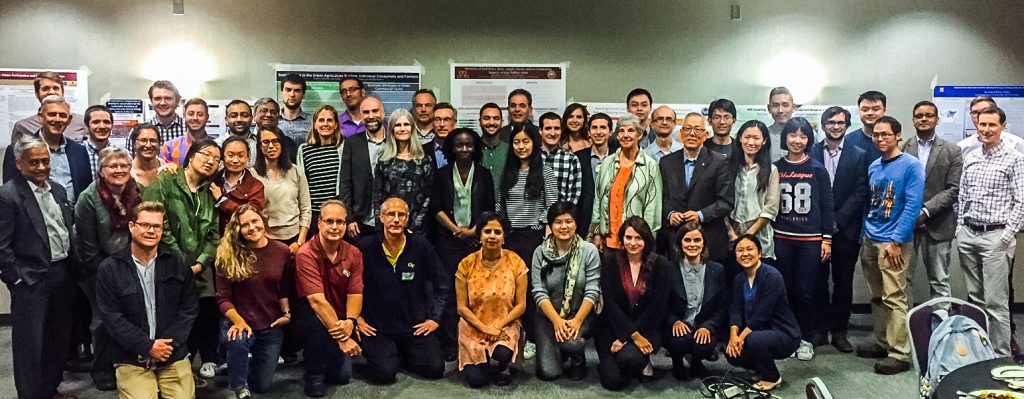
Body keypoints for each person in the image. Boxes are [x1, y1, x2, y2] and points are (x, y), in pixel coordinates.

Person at [0, 136, 77, 399]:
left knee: (58, 340)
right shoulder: (8, 196)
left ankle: (49, 390)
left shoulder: (57, 189)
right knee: (30, 347)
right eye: (34, 163)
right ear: (19, 164)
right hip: (31, 281)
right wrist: (17, 280)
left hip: (62, 274)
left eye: (45, 161)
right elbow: (2, 246)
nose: (42, 167)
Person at [96, 201, 198, 399]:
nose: (151, 230)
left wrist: (167, 345)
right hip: (131, 356)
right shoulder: (110, 269)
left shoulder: (177, 263)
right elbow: (111, 318)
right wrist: (147, 346)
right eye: (145, 225)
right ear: (132, 226)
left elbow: (189, 309)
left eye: (157, 226)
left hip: (171, 353)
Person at [142, 139, 223, 383]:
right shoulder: (166, 181)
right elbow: (157, 224)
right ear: (191, 155)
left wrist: (199, 262)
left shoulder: (210, 192)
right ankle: (167, 368)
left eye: (216, 160)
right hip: (165, 263)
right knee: (171, 317)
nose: (211, 161)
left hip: (199, 266)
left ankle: (190, 366)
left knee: (200, 313)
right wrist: (180, 260)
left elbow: (213, 234)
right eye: (206, 155)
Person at [855, 116, 923, 375]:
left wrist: (896, 240)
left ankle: (900, 352)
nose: (880, 138)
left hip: (893, 242)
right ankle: (883, 342)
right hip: (870, 237)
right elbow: (871, 203)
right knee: (877, 295)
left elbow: (912, 205)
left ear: (898, 136)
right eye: (876, 135)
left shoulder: (911, 166)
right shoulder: (874, 165)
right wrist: (865, 232)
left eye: (885, 134)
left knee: (895, 296)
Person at [357, 198, 450, 384]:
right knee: (384, 374)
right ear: (381, 217)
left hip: (413, 327)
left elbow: (443, 285)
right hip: (377, 328)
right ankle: (391, 356)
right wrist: (356, 318)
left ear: (407, 219)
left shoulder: (421, 245)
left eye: (401, 215)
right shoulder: (364, 247)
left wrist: (434, 318)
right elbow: (349, 288)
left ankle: (399, 355)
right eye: (391, 214)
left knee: (435, 368)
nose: (396, 220)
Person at [957, 106, 1024, 357]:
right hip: (969, 234)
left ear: (1003, 127)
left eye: (992, 125)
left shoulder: (1014, 159)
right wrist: (960, 229)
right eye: (982, 124)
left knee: (996, 303)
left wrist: (1006, 236)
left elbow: (1021, 201)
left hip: (996, 237)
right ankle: (978, 352)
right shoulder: (972, 157)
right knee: (974, 299)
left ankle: (1000, 356)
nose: (985, 129)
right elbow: (963, 195)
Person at [75, 146, 141, 390]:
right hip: (98, 268)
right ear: (102, 171)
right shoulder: (88, 198)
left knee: (131, 316)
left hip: (131, 263)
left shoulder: (136, 192)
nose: (119, 170)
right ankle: (101, 369)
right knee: (103, 320)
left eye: (124, 165)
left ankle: (126, 363)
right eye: (113, 166)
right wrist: (111, 275)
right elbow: (88, 247)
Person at [772, 117, 835, 361]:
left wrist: (826, 239)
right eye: (793, 135)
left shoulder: (817, 169)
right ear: (785, 138)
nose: (797, 141)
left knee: (806, 292)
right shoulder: (776, 167)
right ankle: (787, 336)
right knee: (784, 291)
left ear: (808, 140)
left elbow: (828, 206)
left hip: (810, 240)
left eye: (803, 136)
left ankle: (806, 338)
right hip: (782, 238)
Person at [431, 127, 496, 360]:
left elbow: (489, 207)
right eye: (459, 145)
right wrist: (456, 230)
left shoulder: (484, 174)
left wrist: (473, 230)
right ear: (452, 148)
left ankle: (479, 338)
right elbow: (436, 207)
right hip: (448, 241)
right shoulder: (441, 174)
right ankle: (451, 343)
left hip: (475, 240)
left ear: (475, 147)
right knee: (449, 292)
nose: (464, 149)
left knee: (476, 293)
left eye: (469, 144)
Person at [215, 205, 293, 398]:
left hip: (271, 325)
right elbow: (223, 298)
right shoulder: (228, 254)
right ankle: (239, 386)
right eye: (245, 225)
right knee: (236, 338)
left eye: (255, 221)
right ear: (237, 229)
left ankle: (236, 365)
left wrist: (287, 314)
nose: (252, 227)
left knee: (262, 385)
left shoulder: (282, 251)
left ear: (263, 221)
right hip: (240, 322)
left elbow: (284, 288)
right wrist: (239, 322)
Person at [810, 106, 869, 352]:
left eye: (841, 122)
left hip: (845, 230)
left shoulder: (859, 154)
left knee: (844, 283)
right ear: (823, 125)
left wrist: (838, 219)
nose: (836, 126)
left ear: (846, 125)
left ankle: (840, 331)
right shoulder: (811, 151)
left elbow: (860, 191)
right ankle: (820, 328)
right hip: (816, 228)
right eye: (831, 122)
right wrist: (824, 221)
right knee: (818, 281)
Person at [293, 200, 364, 397]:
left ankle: (328, 356)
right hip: (312, 315)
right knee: (315, 323)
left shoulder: (354, 253)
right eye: (329, 221)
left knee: (342, 376)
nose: (335, 227)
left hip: (341, 318)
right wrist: (343, 338)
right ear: (319, 223)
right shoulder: (305, 254)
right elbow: (317, 302)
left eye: (340, 222)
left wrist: (351, 321)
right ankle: (313, 373)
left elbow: (355, 294)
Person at [594, 216, 671, 391]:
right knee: (613, 382)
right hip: (612, 328)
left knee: (630, 359)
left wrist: (632, 336)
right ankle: (615, 363)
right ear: (622, 239)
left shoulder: (661, 264)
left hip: (647, 328)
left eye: (638, 238)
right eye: (628, 237)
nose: (633, 243)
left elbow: (658, 308)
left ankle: (640, 361)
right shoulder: (610, 262)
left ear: (646, 240)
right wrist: (629, 336)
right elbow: (611, 305)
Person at [455, 212, 528, 388]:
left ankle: (502, 365)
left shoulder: (516, 262)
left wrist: (497, 326)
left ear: (504, 237)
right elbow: (461, 308)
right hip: (473, 327)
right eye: (487, 232)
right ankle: (483, 361)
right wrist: (485, 328)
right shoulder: (466, 264)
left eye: (497, 232)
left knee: (502, 354)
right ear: (480, 236)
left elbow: (521, 305)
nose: (492, 236)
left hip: (505, 325)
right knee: (477, 381)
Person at [530, 202, 601, 381]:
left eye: (568, 221)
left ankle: (577, 357)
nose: (563, 227)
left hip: (580, 316)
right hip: (548, 318)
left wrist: (576, 321)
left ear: (576, 224)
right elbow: (539, 291)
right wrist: (556, 321)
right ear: (550, 225)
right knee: (548, 373)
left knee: (573, 344)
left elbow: (592, 290)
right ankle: (559, 350)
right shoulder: (539, 252)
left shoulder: (589, 251)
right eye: (558, 222)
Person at [901, 101, 961, 306]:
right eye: (919, 115)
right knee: (903, 280)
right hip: (908, 225)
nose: (924, 119)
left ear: (937, 119)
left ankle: (942, 332)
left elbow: (954, 189)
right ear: (913, 120)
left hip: (939, 224)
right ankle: (906, 331)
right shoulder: (903, 148)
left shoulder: (952, 150)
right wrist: (913, 215)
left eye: (929, 115)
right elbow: (899, 187)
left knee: (939, 281)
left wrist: (925, 212)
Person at [725, 234, 800, 392]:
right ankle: (761, 368)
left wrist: (741, 337)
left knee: (753, 340)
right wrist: (733, 336)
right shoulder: (739, 279)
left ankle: (772, 377)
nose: (745, 254)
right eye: (740, 250)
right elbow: (736, 308)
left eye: (750, 249)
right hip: (758, 332)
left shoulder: (772, 276)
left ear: (759, 253)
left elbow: (762, 314)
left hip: (784, 334)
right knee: (732, 353)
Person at [661, 112, 734, 262]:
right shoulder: (666, 162)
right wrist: (670, 214)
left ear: (706, 134)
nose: (692, 134)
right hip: (677, 238)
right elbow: (663, 197)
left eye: (697, 129)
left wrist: (700, 215)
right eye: (687, 129)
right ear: (681, 133)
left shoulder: (719, 162)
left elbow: (726, 202)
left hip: (709, 237)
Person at [664, 222, 728, 380]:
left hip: (703, 325)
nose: (692, 244)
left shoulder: (717, 270)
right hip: (678, 325)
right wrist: (674, 321)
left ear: (704, 244)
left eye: (697, 240)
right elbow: (661, 305)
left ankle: (696, 363)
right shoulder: (668, 269)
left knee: (704, 345)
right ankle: (677, 362)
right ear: (680, 243)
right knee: (679, 342)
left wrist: (708, 326)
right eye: (687, 240)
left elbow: (722, 307)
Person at [592, 113, 663, 251]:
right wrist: (596, 232)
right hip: (609, 239)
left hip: (635, 242)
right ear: (617, 136)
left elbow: (653, 206)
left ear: (639, 135)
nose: (625, 135)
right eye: (621, 131)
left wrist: (646, 238)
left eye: (631, 130)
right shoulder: (607, 162)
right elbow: (598, 199)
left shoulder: (650, 166)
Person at [3, 95, 92, 202]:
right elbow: (9, 195)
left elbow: (85, 189)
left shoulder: (80, 151)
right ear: (40, 117)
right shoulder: (18, 150)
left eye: (62, 115)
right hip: (34, 216)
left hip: (73, 216)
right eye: (52, 114)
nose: (57, 119)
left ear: (69, 120)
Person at [372, 108, 434, 234]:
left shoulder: (424, 160)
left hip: (417, 229)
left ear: (412, 128)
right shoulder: (384, 160)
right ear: (392, 130)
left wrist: (414, 226)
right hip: (389, 227)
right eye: (397, 125)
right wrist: (382, 225)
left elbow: (428, 196)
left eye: (406, 124)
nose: (402, 129)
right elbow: (377, 197)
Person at [725, 120, 780, 261]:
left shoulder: (771, 170)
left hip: (759, 237)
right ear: (740, 138)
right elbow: (721, 202)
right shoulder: (727, 167)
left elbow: (771, 209)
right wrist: (731, 233)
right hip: (731, 236)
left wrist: (748, 236)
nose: (751, 142)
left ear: (764, 141)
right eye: (747, 137)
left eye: (756, 138)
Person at [254, 127, 311, 253]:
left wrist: (300, 242)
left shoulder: (296, 171)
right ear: (259, 146)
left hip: (294, 238)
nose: (271, 146)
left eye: (275, 141)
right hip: (266, 238)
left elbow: (306, 209)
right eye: (265, 142)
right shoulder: (253, 174)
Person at [340, 97, 388, 241]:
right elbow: (345, 183)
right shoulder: (352, 143)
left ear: (383, 113)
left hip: (390, 220)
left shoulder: (395, 140)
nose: (371, 116)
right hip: (361, 222)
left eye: (375, 111)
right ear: (361, 116)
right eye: (366, 112)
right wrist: (349, 218)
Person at [297, 105, 345, 235]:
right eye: (321, 120)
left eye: (329, 120)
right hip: (314, 214)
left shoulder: (342, 148)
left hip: (337, 212)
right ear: (315, 124)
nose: (325, 124)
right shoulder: (304, 150)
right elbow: (301, 184)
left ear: (335, 125)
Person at [10, 71, 88, 143]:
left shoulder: (81, 122)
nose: (51, 92)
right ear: (37, 94)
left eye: (55, 88)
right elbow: (17, 156)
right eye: (45, 88)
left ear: (62, 92)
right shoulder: (23, 127)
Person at [575, 113, 616, 237]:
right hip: (584, 223)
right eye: (594, 128)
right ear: (589, 132)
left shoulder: (619, 156)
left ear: (610, 132)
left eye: (603, 128)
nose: (598, 132)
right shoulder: (577, 157)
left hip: (613, 221)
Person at [212, 136, 265, 232]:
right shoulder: (212, 182)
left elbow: (249, 216)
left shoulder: (256, 186)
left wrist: (222, 200)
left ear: (247, 157)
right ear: (223, 157)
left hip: (243, 239)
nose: (235, 160)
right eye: (230, 155)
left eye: (240, 156)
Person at [538, 112, 583, 203]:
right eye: (548, 128)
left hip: (561, 214)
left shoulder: (571, 159)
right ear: (540, 131)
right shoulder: (531, 157)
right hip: (532, 215)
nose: (553, 133)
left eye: (557, 128)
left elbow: (574, 195)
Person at [958, 97, 1024, 156]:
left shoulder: (1016, 143)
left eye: (985, 111)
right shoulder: (963, 146)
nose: (980, 116)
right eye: (975, 112)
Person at [161, 98, 211, 166]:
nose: (195, 118)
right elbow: (162, 174)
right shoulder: (169, 147)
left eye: (200, 114)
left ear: (207, 118)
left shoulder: (216, 146)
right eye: (191, 114)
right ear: (184, 116)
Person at [843, 90, 888, 165]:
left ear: (884, 111)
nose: (870, 113)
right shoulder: (848, 141)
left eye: (876, 109)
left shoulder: (893, 140)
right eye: (865, 110)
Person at [145, 80, 187, 145]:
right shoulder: (139, 132)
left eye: (168, 98)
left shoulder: (190, 129)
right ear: (151, 101)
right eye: (158, 98)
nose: (163, 103)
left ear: (177, 101)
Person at [479, 102, 508, 193]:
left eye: (496, 118)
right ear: (479, 122)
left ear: (502, 123)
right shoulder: (471, 150)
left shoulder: (510, 150)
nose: (491, 122)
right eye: (486, 118)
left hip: (504, 205)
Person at [129, 123, 169, 188]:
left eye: (153, 141)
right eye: (143, 140)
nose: (148, 145)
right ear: (134, 144)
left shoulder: (167, 169)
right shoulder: (128, 173)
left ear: (159, 144)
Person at [83, 104, 117, 177]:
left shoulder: (119, 153)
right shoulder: (77, 152)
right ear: (87, 125)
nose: (102, 126)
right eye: (96, 122)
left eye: (106, 122)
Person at [279, 73, 313, 144]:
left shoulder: (313, 122)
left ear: (303, 95)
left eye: (297, 90)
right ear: (281, 93)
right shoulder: (272, 121)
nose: (292, 94)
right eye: (288, 90)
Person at [766, 86, 796, 161]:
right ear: (769, 109)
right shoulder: (763, 135)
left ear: (793, 108)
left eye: (785, 105)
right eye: (775, 105)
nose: (780, 110)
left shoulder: (806, 135)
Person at [424, 103, 457, 169]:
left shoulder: (463, 151)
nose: (442, 124)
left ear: (454, 123)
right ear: (432, 123)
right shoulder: (422, 151)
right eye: (437, 119)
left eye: (446, 119)